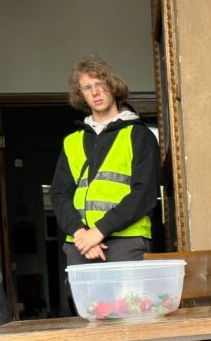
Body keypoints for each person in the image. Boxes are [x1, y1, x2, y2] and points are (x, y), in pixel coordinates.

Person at [50, 56, 160, 266]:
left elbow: (145, 193)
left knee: (126, 301)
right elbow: (58, 193)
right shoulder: (71, 142)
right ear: (81, 95)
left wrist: (98, 231)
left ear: (113, 86)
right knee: (87, 301)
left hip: (126, 242)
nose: (95, 92)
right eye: (87, 87)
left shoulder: (139, 135)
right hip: (80, 244)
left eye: (100, 84)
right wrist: (81, 233)